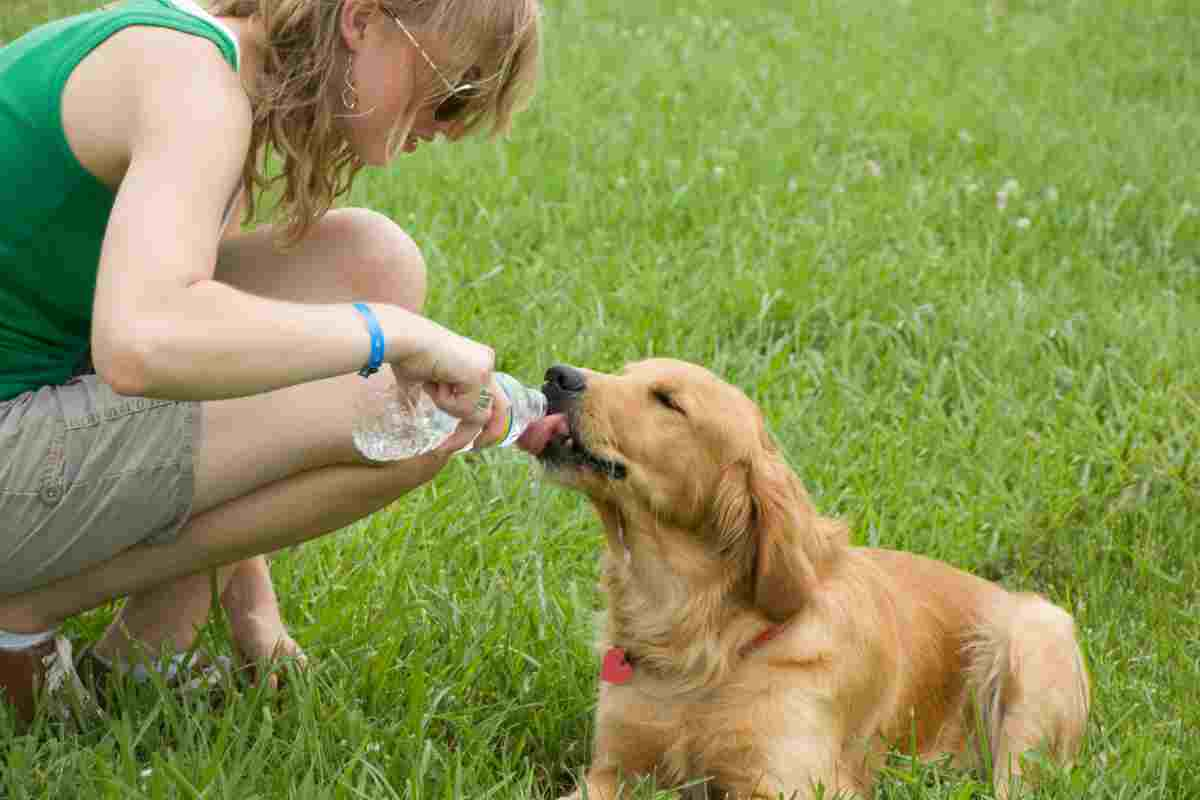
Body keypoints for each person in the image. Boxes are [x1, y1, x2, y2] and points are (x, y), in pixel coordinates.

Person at [0, 0, 540, 726]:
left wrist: (253, 606)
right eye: (455, 92)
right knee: (405, 416)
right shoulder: (191, 86)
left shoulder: (212, 61)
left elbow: (214, 355)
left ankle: (144, 657)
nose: (447, 128)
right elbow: (142, 341)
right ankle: (20, 617)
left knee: (372, 264)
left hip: (28, 405)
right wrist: (385, 334)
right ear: (360, 21)